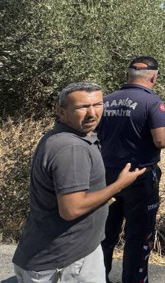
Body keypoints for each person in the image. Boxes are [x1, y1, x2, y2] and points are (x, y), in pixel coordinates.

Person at [12, 82, 146, 282]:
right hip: (66, 261)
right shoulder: (72, 148)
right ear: (61, 111)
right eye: (82, 107)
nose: (92, 113)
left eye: (98, 104)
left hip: (69, 254)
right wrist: (118, 185)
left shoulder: (67, 137)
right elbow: (71, 209)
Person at [96, 56, 165, 283]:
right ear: (153, 76)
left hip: (107, 175)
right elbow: (160, 140)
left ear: (128, 75)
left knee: (105, 233)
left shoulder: (105, 101)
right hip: (139, 177)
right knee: (138, 235)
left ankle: (99, 277)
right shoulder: (152, 103)